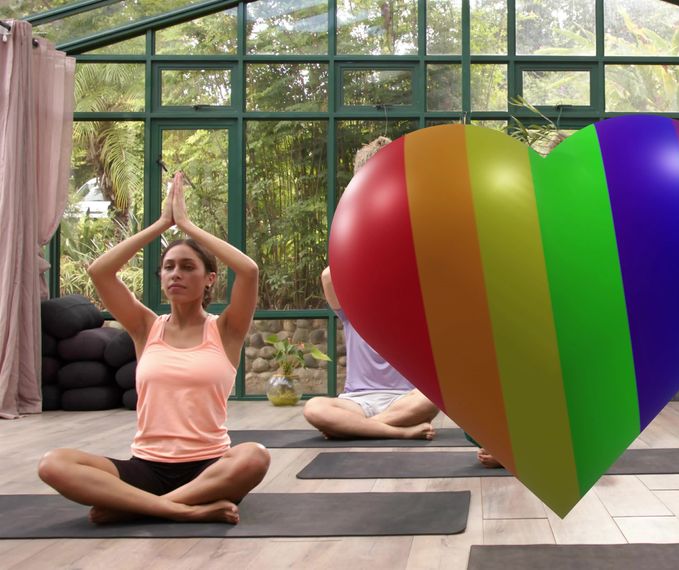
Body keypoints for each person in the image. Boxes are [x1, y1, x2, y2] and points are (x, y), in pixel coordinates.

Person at [37, 172, 270, 525]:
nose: (176, 273)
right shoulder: (146, 327)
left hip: (210, 469)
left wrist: (187, 225)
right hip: (145, 468)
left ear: (209, 279)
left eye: (188, 267)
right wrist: (162, 224)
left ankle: (135, 506)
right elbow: (100, 272)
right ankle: (177, 510)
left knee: (255, 456)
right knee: (53, 463)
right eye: (168, 267)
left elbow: (249, 271)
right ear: (161, 278)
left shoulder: (226, 330)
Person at [302, 267, 438, 440]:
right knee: (314, 408)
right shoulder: (352, 315)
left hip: (403, 400)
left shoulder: (414, 317)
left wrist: (345, 425)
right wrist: (371, 255)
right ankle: (401, 432)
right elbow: (328, 276)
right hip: (357, 402)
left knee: (432, 398)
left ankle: (355, 427)